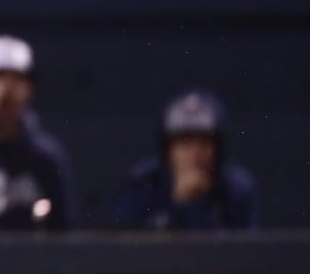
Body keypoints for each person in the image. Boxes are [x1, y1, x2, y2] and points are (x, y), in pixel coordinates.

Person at [0, 35, 75, 232]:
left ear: (30, 89)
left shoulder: (45, 158)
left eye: (18, 79)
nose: (7, 90)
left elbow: (64, 234)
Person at [111, 90, 258, 230]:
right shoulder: (143, 183)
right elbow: (125, 246)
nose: (195, 152)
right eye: (184, 142)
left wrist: (199, 204)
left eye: (204, 142)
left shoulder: (236, 188)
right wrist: (178, 202)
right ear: (168, 148)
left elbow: (242, 251)